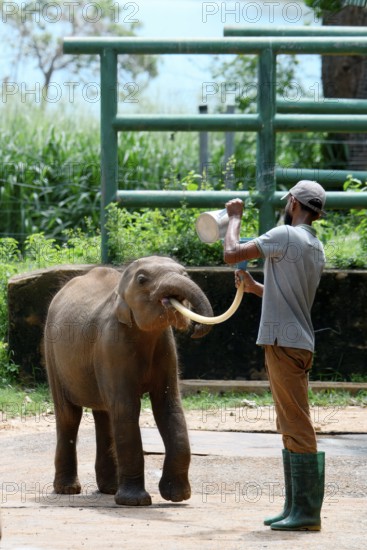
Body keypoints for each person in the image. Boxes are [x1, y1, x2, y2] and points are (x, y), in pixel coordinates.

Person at [223, 180, 326, 531]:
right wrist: (254, 288)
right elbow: (290, 295)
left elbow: (232, 253)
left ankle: (308, 512)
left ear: (294, 203)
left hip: (284, 342)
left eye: (287, 202)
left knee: (296, 425)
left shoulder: (285, 235)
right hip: (296, 341)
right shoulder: (314, 246)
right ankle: (295, 507)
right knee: (289, 424)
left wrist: (233, 217)